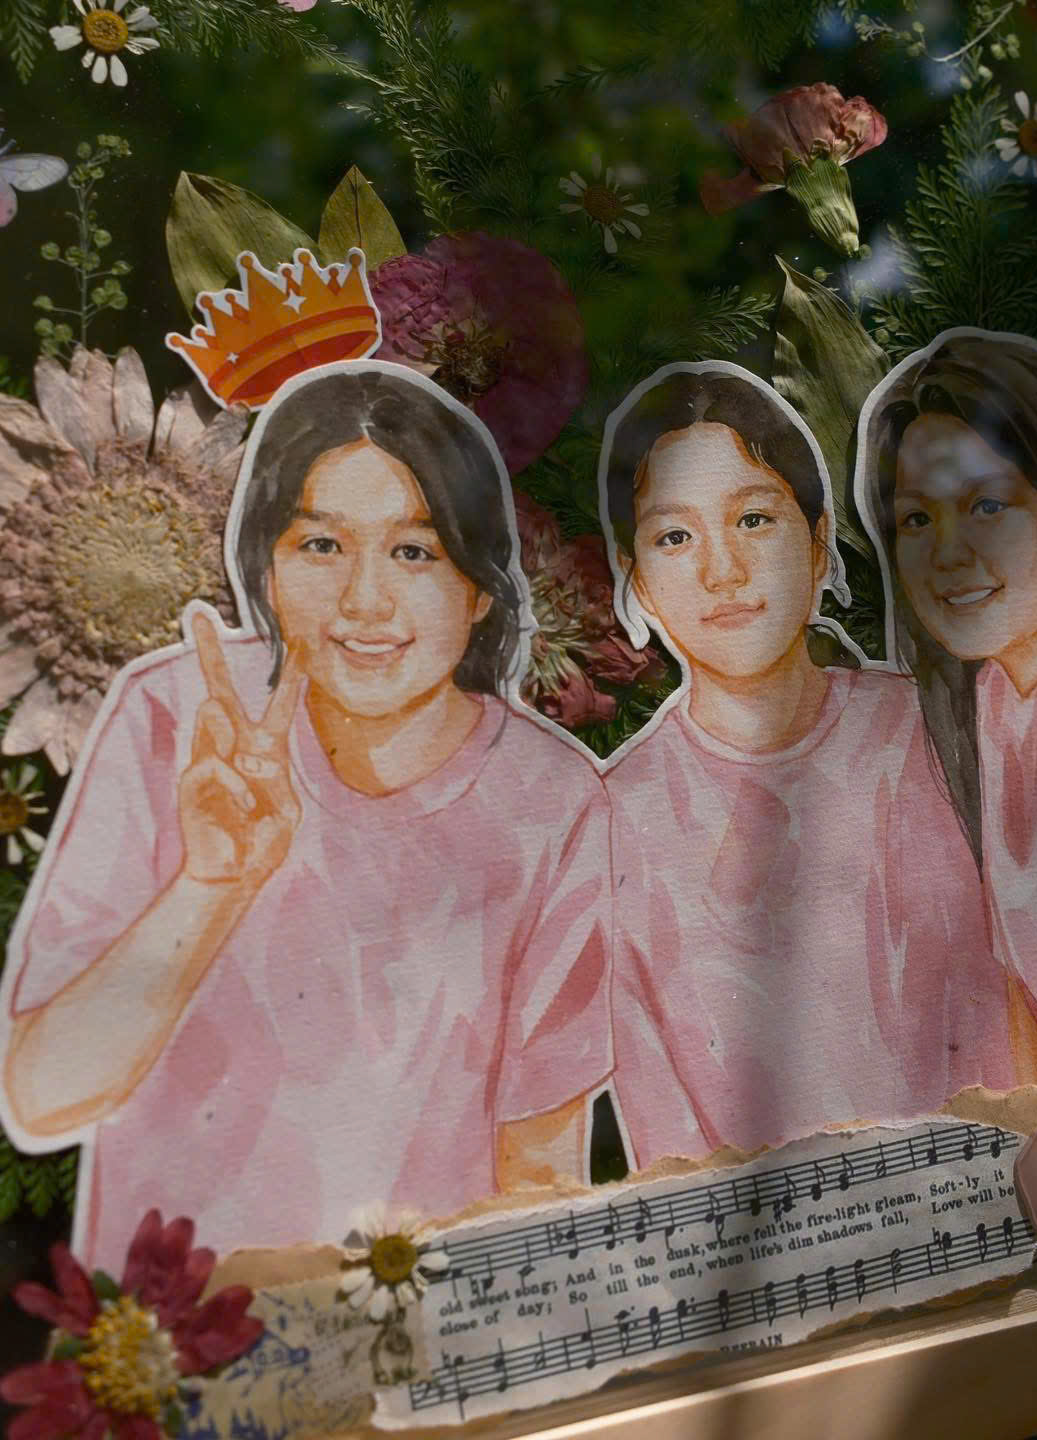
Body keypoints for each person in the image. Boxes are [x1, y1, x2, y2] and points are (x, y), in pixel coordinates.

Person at [0, 361, 612, 1269]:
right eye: (321, 546)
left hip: (414, 1323)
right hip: (173, 1325)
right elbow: (42, 1095)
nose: (365, 601)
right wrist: (211, 885)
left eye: (415, 552)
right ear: (267, 567)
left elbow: (543, 1172)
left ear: (480, 585)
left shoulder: (550, 798)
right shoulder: (176, 715)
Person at [598, 361, 1008, 1172]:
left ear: (819, 546)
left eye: (754, 519)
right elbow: (665, 1141)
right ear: (636, 577)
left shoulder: (938, 730)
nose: (722, 571)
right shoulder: (613, 825)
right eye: (675, 536)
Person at [854, 328, 1037, 1086]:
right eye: (917, 520)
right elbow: (1026, 1000)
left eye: (986, 504)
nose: (947, 554)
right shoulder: (995, 689)